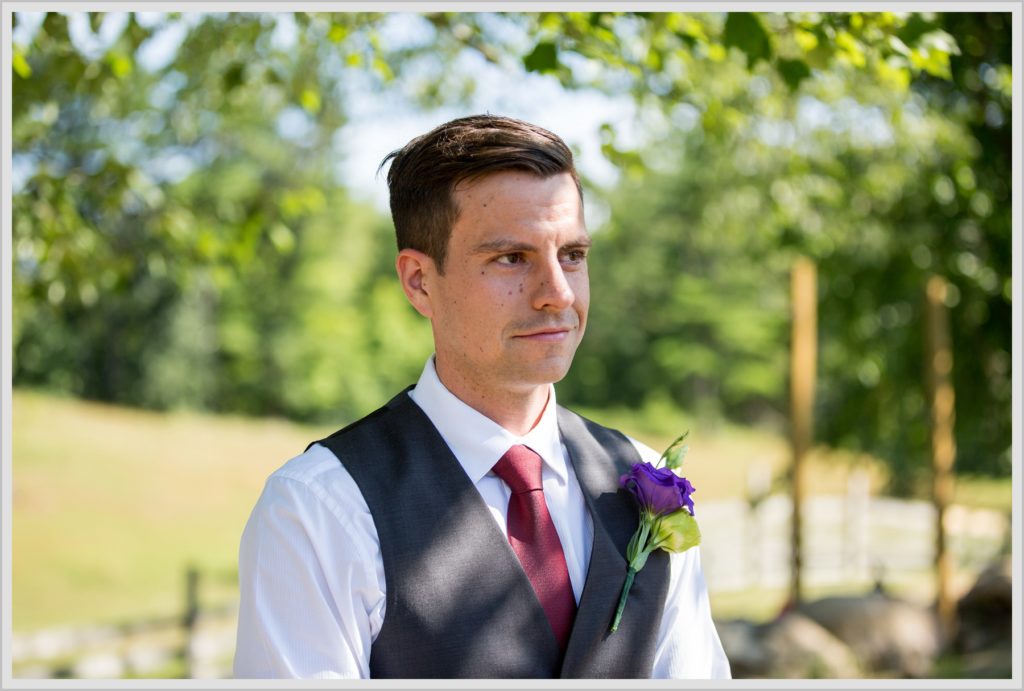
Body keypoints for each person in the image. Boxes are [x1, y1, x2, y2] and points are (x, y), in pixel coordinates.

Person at [233, 114, 731, 679]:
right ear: (420, 281)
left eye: (572, 254)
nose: (557, 293)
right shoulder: (318, 511)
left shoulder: (644, 476)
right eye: (511, 259)